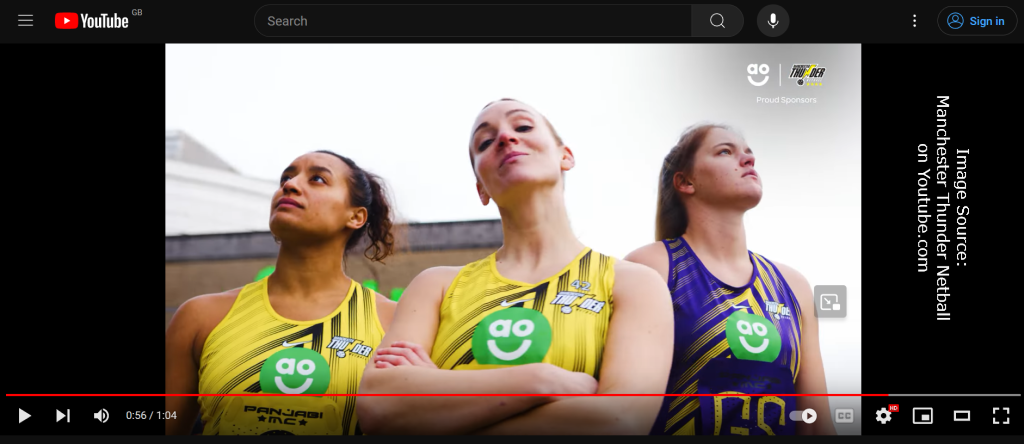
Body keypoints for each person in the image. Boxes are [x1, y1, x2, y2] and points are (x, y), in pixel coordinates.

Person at [355, 99, 675, 435]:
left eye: (522, 127)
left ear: (565, 155)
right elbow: (379, 406)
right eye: (485, 142)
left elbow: (620, 421)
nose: (505, 138)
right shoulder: (435, 286)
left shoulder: (633, 283)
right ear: (481, 187)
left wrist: (436, 391)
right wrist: (540, 381)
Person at [165, 150, 399, 435]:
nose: (290, 185)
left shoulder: (394, 322)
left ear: (355, 216)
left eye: (317, 179)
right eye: (286, 178)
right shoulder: (201, 317)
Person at [623, 124, 836, 435]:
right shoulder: (652, 267)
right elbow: (624, 409)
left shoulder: (794, 285)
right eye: (726, 151)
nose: (748, 160)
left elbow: (817, 422)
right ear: (686, 181)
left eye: (749, 153)